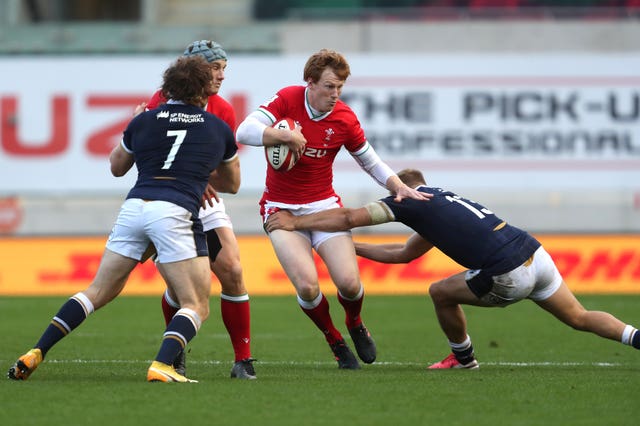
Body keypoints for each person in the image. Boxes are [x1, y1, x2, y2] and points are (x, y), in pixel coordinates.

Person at [7, 55, 241, 383]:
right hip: (174, 211)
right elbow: (231, 185)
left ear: (168, 87)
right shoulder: (218, 128)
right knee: (197, 304)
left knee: (97, 290)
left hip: (135, 208)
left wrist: (133, 125)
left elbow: (117, 167)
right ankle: (162, 365)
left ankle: (37, 350)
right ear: (204, 92)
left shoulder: (142, 121)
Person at [264, 168, 640, 369]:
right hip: (534, 252)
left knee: (440, 293)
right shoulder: (442, 199)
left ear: (403, 190)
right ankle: (636, 337)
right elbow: (404, 254)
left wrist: (298, 225)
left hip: (506, 270)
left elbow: (349, 215)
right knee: (579, 316)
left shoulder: (410, 202)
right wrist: (348, 249)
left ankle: (464, 360)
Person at [235, 49, 431, 369]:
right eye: (329, 86)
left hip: (324, 208)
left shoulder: (344, 117)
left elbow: (369, 161)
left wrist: (398, 186)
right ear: (310, 83)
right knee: (308, 286)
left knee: (350, 284)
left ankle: (354, 321)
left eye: (339, 87)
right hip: (281, 210)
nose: (335, 94)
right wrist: (284, 136)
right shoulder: (287, 99)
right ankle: (335, 340)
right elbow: (243, 131)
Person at [143, 40, 256, 380]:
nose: (222, 75)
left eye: (225, 68)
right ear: (196, 70)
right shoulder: (159, 102)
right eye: (216, 68)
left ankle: (243, 360)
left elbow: (224, 168)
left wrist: (203, 177)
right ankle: (174, 354)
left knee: (233, 271)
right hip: (167, 199)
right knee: (182, 290)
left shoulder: (222, 108)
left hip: (204, 201)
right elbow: (148, 156)